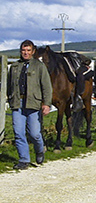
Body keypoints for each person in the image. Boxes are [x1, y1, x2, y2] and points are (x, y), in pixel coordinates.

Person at [7, 40, 53, 170]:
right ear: (20, 51)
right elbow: (9, 85)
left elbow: (47, 87)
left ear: (33, 51)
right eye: (23, 50)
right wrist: (10, 99)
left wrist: (47, 104)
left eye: (28, 50)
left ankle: (40, 150)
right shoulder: (15, 66)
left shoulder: (39, 66)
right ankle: (24, 160)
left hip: (33, 103)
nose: (25, 53)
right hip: (18, 103)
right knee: (18, 133)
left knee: (34, 134)